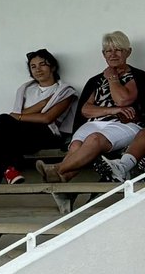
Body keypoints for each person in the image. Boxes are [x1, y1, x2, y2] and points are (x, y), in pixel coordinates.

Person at [38, 31, 145, 183]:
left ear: (128, 52)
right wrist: (112, 110)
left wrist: (113, 78)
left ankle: (57, 169)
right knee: (76, 145)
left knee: (94, 139)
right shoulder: (96, 80)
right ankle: (63, 180)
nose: (113, 54)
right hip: (94, 122)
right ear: (103, 54)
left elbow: (122, 100)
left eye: (118, 49)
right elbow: (86, 110)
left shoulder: (138, 77)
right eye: (108, 51)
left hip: (125, 124)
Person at [0, 49, 77, 201]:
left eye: (42, 65)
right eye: (33, 67)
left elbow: (47, 118)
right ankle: (8, 171)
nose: (38, 69)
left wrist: (22, 116)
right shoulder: (26, 90)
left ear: (52, 67)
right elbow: (16, 117)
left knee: (1, 124)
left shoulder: (64, 91)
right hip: (21, 135)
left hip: (47, 135)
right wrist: (41, 105)